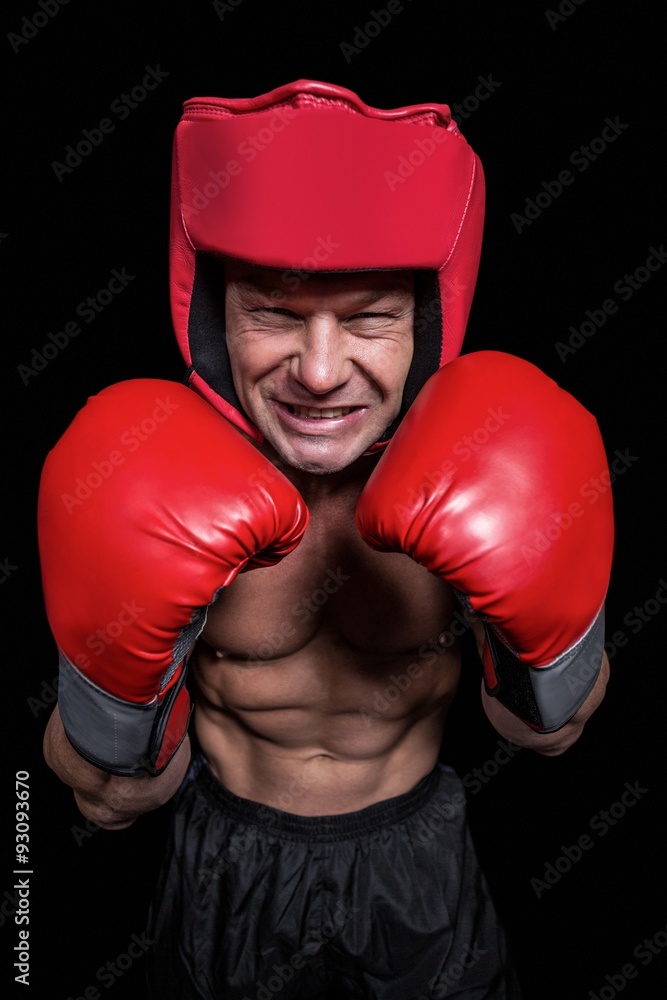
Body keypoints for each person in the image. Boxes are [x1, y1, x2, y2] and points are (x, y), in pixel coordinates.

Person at [38, 80, 614, 999]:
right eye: (271, 310)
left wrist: (543, 654)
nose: (316, 370)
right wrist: (113, 716)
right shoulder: (141, 469)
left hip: (419, 859)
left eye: (368, 317)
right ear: (212, 311)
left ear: (426, 319)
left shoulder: (485, 455)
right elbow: (108, 799)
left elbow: (550, 736)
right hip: (221, 864)